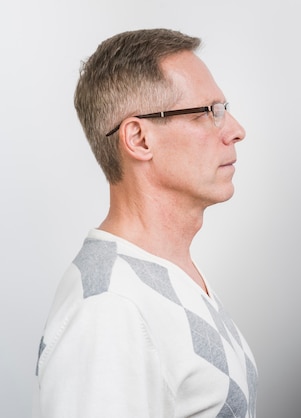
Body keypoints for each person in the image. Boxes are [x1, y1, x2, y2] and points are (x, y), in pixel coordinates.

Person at [34, 29, 257, 417]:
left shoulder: (168, 273)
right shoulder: (108, 311)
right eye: (210, 112)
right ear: (138, 139)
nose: (236, 129)